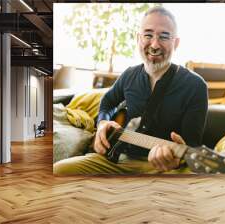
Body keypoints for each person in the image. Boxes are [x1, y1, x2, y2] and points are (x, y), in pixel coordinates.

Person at [54, 6, 208, 175]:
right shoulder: (129, 75)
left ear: (176, 43)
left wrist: (177, 158)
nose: (155, 44)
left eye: (164, 36)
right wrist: (103, 123)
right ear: (138, 38)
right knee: (60, 170)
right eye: (148, 35)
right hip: (116, 160)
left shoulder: (196, 85)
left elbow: (191, 146)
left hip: (162, 169)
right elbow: (108, 102)